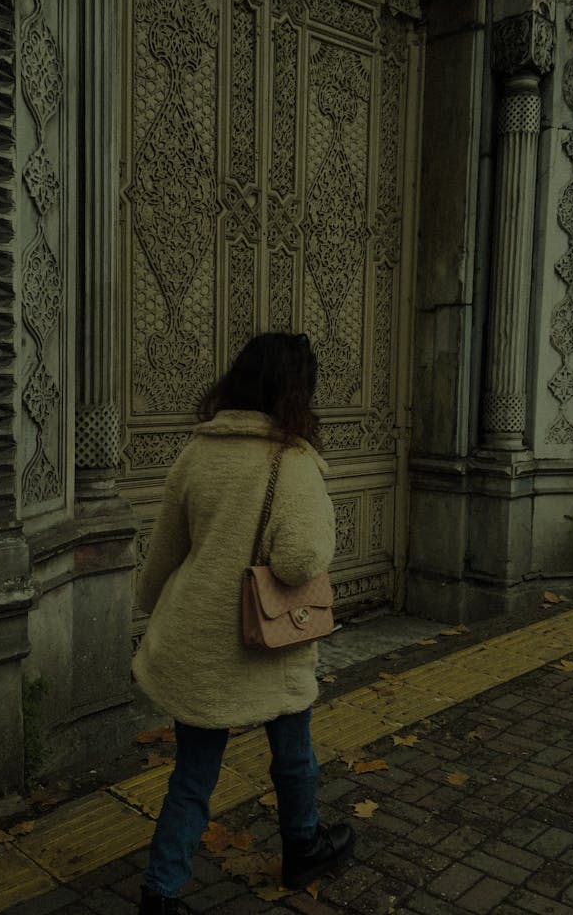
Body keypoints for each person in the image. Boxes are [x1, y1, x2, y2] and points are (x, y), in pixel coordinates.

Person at [133, 332, 354, 915]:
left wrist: (152, 606)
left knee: (193, 776)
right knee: (293, 753)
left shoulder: (197, 452)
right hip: (268, 642)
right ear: (296, 391)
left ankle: (160, 894)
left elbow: (164, 551)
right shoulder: (295, 460)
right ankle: (302, 847)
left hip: (198, 645)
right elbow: (298, 560)